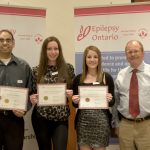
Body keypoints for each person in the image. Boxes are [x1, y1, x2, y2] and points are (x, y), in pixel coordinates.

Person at [30, 36, 75, 150]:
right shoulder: (36, 70)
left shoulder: (68, 68)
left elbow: (74, 90)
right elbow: (32, 93)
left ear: (59, 50)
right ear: (44, 51)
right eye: (49, 49)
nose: (53, 52)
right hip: (41, 118)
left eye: (56, 48)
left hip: (61, 118)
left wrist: (71, 93)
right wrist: (32, 98)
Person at [72, 45, 115, 150]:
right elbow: (75, 103)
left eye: (95, 57)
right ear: (85, 59)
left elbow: (113, 102)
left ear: (99, 59)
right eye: (89, 57)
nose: (92, 60)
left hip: (101, 123)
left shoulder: (106, 77)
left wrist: (110, 99)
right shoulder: (78, 79)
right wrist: (75, 100)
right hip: (83, 123)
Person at [112, 40, 150, 150]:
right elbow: (116, 101)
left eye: (136, 51)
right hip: (125, 126)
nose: (133, 54)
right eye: (129, 52)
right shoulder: (121, 74)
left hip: (147, 126)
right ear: (126, 55)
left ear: (143, 53)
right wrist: (116, 124)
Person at [0, 29, 33, 150]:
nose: (4, 43)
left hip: (15, 121)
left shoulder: (23, 66)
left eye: (8, 40)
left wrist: (24, 109)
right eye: (1, 40)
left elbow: (31, 93)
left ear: (13, 43)